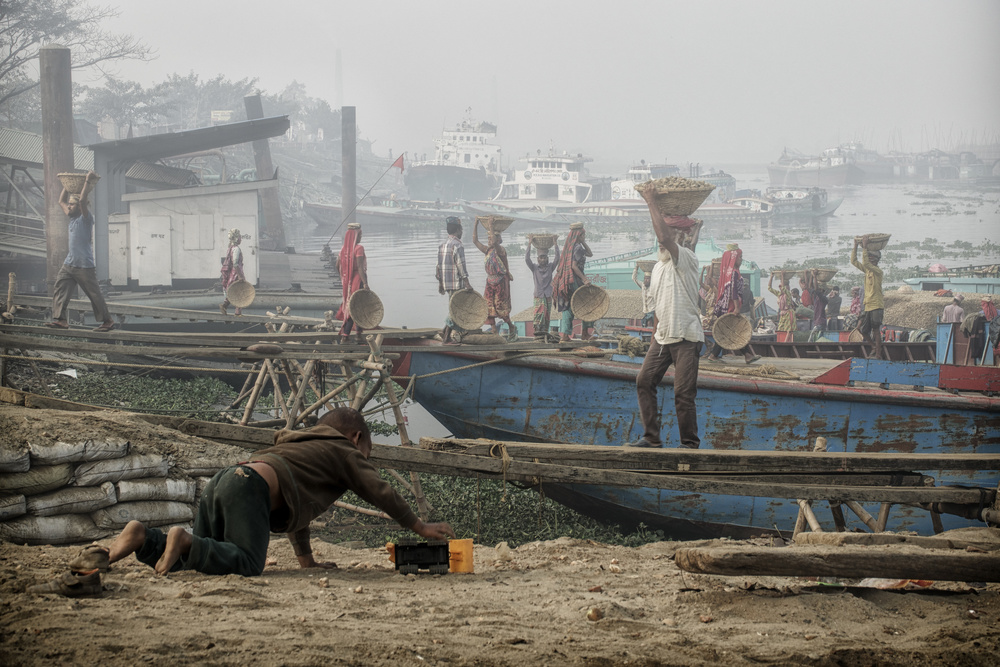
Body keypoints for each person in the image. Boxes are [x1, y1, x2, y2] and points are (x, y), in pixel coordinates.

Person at [106, 407, 455, 577]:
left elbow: (297, 507)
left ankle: (143, 537)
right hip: (249, 488)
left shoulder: (301, 448)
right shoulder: (343, 450)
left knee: (202, 564)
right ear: (357, 438)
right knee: (246, 562)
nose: (365, 461)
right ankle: (182, 538)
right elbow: (379, 490)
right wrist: (419, 527)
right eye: (368, 452)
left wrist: (307, 561)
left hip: (224, 480)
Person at [629, 189, 704, 449]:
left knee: (683, 393)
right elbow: (659, 306)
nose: (661, 241)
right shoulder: (659, 267)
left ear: (680, 238)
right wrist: (654, 335)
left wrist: (651, 201)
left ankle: (689, 444)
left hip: (686, 336)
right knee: (644, 381)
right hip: (662, 337)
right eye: (662, 236)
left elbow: (664, 236)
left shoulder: (686, 258)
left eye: (669, 236)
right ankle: (652, 437)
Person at [47, 171, 115, 332]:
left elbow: (83, 199)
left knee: (94, 293)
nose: (68, 206)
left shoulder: (86, 219)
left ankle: (108, 320)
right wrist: (66, 186)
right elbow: (60, 201)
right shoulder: (71, 217)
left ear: (79, 207)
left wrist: (86, 182)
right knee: (60, 287)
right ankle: (61, 319)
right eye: (69, 204)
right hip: (70, 263)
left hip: (84, 265)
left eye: (72, 204)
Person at [706, 244, 760, 364]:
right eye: (740, 257)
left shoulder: (729, 272)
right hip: (730, 307)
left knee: (730, 330)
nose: (741, 260)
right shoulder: (734, 273)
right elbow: (732, 291)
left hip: (726, 305)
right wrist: (736, 307)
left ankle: (745, 355)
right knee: (733, 330)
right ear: (734, 259)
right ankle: (745, 355)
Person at [472, 219, 516, 341]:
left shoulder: (500, 250)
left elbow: (496, 244)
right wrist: (475, 224)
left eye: (491, 239)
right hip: (490, 283)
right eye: (489, 239)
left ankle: (511, 327)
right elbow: (475, 241)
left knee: (500, 307)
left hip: (501, 283)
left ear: (497, 240)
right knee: (488, 306)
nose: (489, 240)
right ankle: (494, 331)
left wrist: (490, 226)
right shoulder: (487, 250)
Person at [553, 222, 594, 342]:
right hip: (574, 281)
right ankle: (585, 333)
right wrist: (584, 279)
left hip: (566, 282)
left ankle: (565, 336)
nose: (584, 237)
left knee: (567, 307)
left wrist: (582, 241)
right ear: (579, 236)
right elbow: (574, 266)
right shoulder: (578, 249)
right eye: (583, 236)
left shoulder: (570, 248)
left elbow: (590, 253)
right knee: (586, 304)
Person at [435, 216, 470, 343]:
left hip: (447, 284)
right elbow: (461, 265)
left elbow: (438, 267)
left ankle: (445, 331)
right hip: (457, 283)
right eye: (461, 229)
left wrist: (440, 283)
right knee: (456, 309)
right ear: (458, 230)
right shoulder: (457, 245)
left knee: (453, 307)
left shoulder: (442, 245)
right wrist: (467, 283)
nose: (462, 232)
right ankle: (446, 336)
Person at [334, 222, 369, 344]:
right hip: (357, 280)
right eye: (360, 234)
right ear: (355, 236)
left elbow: (338, 265)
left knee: (349, 305)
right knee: (358, 306)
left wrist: (344, 277)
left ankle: (346, 335)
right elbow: (360, 267)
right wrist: (365, 283)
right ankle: (356, 334)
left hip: (347, 282)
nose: (361, 237)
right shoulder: (359, 248)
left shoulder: (343, 249)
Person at [851, 237, 886, 360]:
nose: (870, 261)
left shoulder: (878, 272)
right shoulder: (867, 271)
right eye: (869, 258)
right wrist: (855, 246)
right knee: (863, 330)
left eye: (872, 259)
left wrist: (864, 247)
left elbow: (865, 263)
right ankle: (873, 347)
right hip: (868, 305)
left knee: (876, 330)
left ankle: (878, 354)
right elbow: (854, 261)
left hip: (876, 305)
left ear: (876, 261)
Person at [525, 238, 560, 340]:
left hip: (548, 295)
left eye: (544, 257)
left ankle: (544, 335)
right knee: (538, 316)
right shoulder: (534, 268)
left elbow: (557, 258)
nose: (543, 259)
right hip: (538, 295)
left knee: (546, 316)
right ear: (538, 259)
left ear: (547, 258)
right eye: (541, 257)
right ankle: (537, 335)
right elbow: (527, 259)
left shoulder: (550, 267)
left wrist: (555, 244)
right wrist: (529, 244)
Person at [219, 228, 247, 317]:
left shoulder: (230, 248)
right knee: (240, 291)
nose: (241, 239)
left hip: (232, 273)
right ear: (235, 238)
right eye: (239, 237)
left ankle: (224, 306)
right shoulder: (236, 249)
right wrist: (240, 276)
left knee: (233, 291)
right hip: (236, 274)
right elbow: (235, 263)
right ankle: (238, 312)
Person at [768, 270, 796, 342]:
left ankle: (787, 343)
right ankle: (781, 342)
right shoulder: (780, 294)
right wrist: (771, 277)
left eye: (781, 286)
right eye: (779, 286)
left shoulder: (788, 294)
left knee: (789, 330)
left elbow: (784, 288)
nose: (780, 287)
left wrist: (782, 276)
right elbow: (769, 288)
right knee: (780, 329)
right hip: (783, 314)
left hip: (789, 313)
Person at [632, 264, 655, 328]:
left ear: (651, 280)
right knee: (645, 325)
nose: (646, 280)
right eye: (645, 278)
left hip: (652, 311)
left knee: (650, 324)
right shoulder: (643, 286)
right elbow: (634, 279)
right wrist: (636, 268)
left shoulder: (653, 287)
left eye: (648, 279)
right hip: (645, 311)